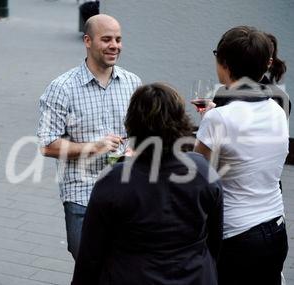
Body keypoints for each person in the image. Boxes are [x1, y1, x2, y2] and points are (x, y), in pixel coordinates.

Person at [72, 83, 223, 285]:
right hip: (194, 274)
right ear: (181, 123)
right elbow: (215, 237)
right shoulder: (203, 171)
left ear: (132, 125)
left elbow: (91, 253)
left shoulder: (114, 180)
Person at [37, 14, 142, 260]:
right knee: (86, 260)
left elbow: (141, 135)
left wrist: (137, 150)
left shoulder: (133, 83)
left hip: (126, 193)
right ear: (87, 41)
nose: (114, 45)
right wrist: (94, 147)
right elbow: (47, 145)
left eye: (118, 39)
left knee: (123, 264)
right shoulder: (61, 88)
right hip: (83, 195)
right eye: (106, 39)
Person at [194, 26, 289, 285]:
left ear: (224, 63)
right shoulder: (278, 109)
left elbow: (197, 176)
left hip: (236, 237)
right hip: (276, 228)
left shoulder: (219, 118)